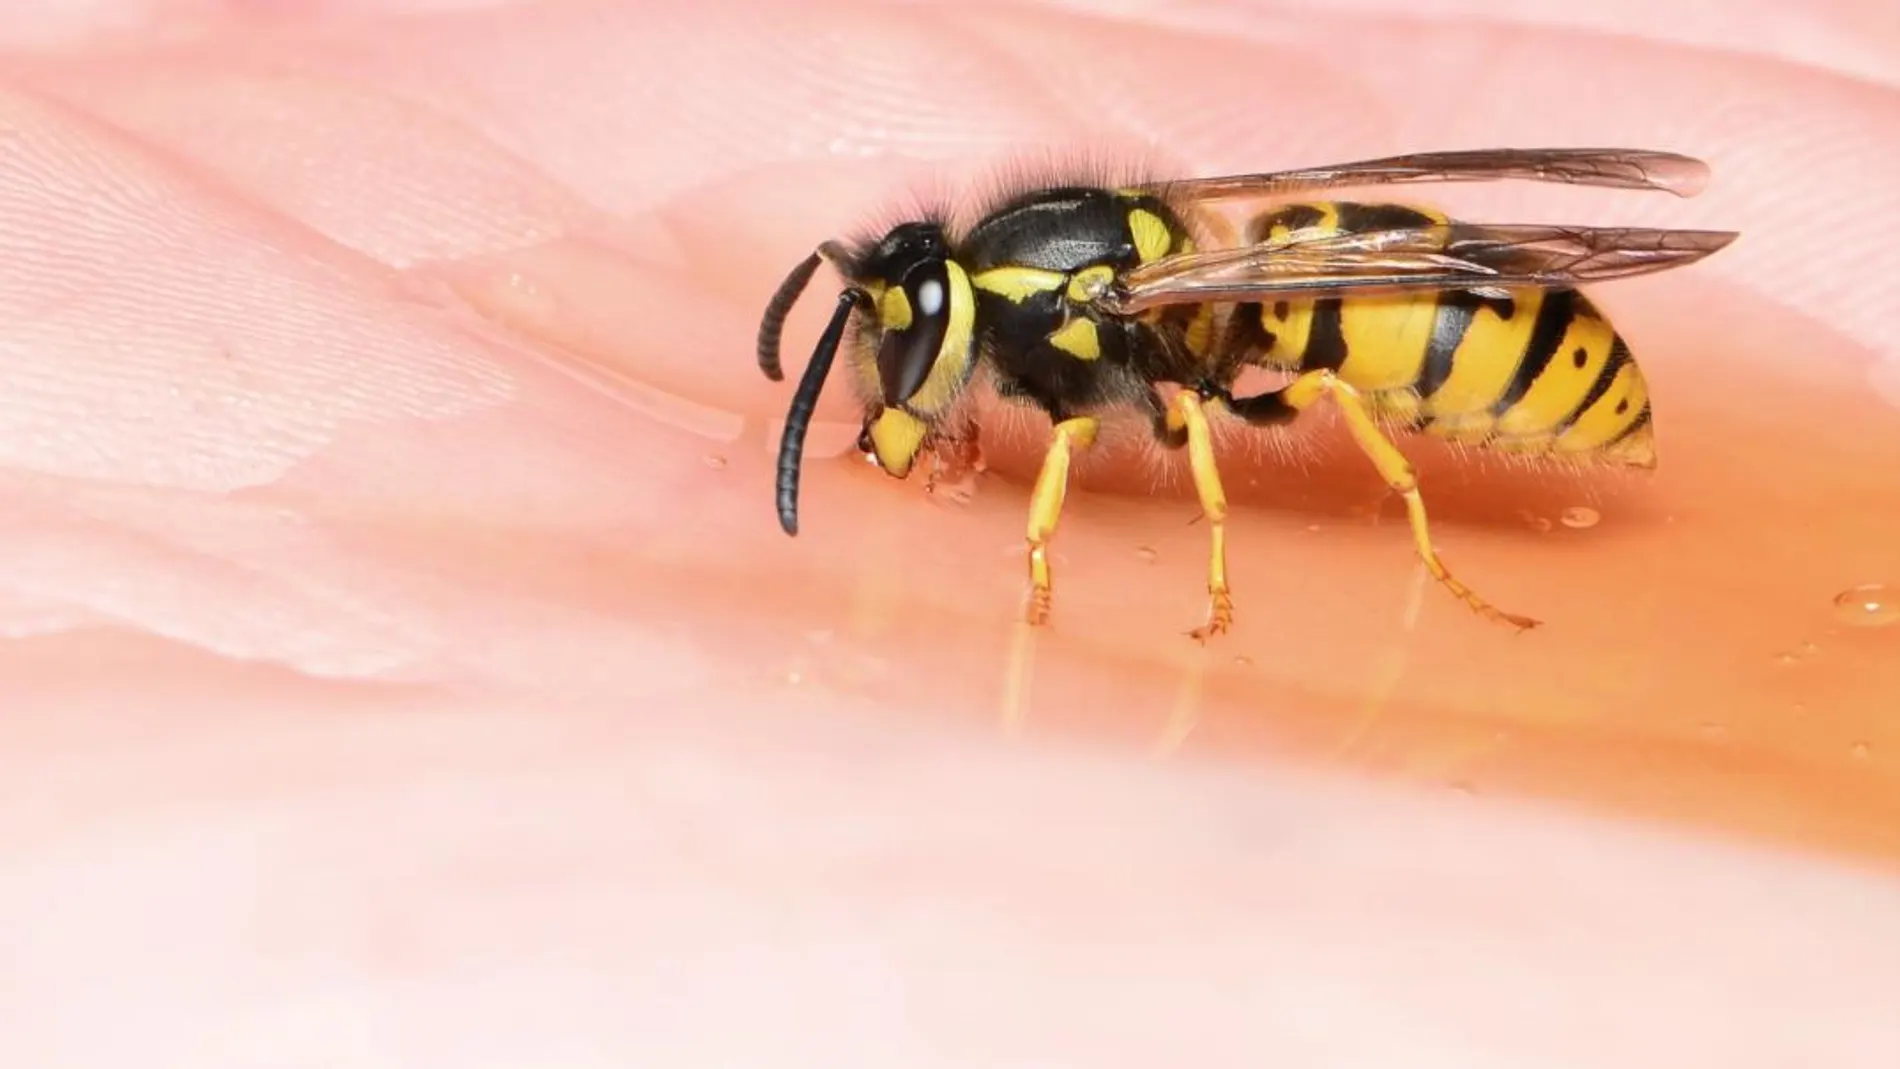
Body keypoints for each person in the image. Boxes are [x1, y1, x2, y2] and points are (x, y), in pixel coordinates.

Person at [4, 0, 1898, 1063]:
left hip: (1479, 342)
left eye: (907, 348)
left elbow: (1136, 419)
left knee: (1295, 382)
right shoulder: (1066, 289)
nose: (909, 373)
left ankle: (1418, 552)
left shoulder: (1102, 328)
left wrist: (1116, 572)